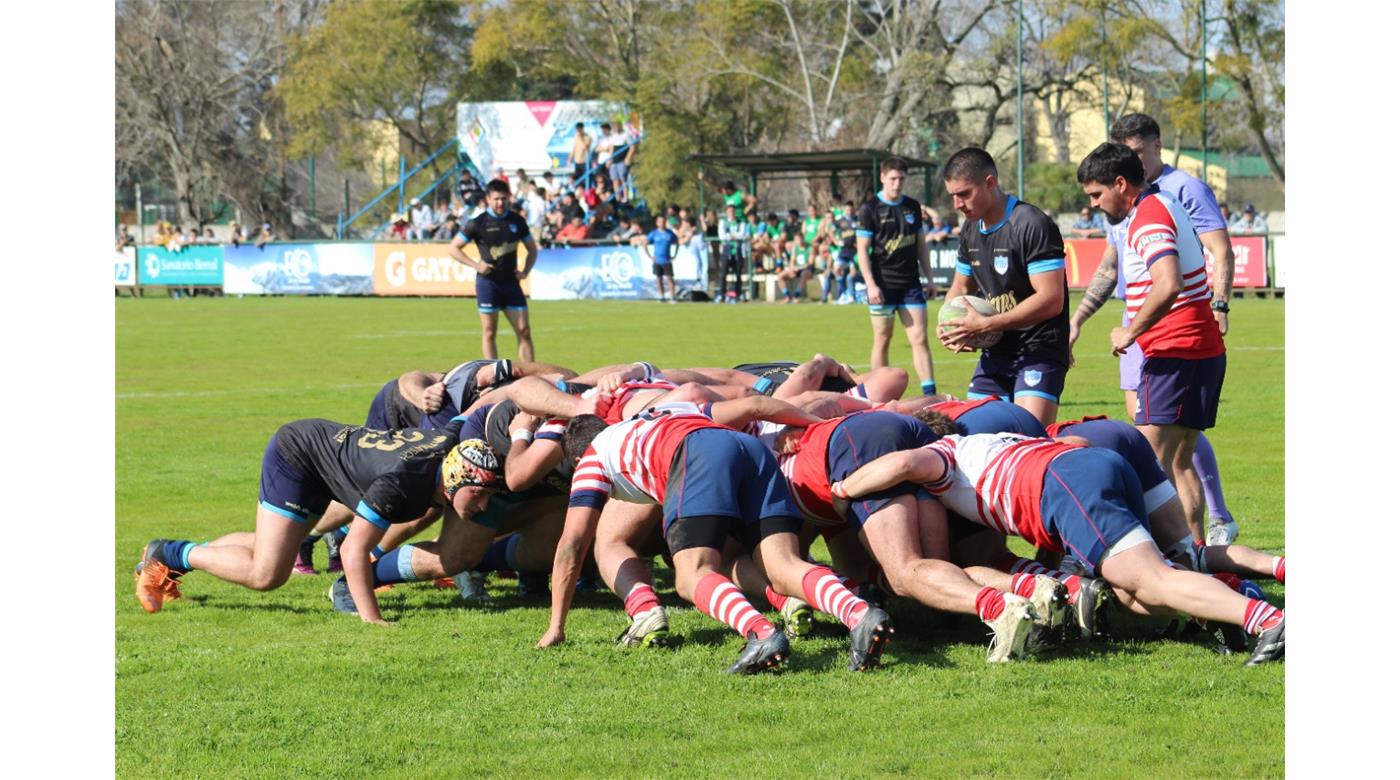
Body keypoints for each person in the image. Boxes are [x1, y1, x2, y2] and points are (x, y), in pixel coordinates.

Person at [829, 430, 1284, 665]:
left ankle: (1268, 621)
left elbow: (905, 462)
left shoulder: (943, 453)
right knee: (1130, 594)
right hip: (1090, 463)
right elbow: (1074, 442)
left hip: (1066, 484)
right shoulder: (986, 442)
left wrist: (844, 489)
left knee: (1150, 578)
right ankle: (1228, 602)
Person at [543, 399, 896, 674]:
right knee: (782, 566)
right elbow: (754, 405)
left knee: (692, 575)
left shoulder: (592, 458)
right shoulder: (662, 412)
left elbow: (572, 545)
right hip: (749, 449)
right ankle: (860, 613)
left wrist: (556, 626)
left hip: (695, 455)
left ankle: (760, 634)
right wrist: (818, 426)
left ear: (576, 457)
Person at [133, 416, 494, 627]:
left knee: (271, 549)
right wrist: (373, 620)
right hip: (298, 456)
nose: (484, 504)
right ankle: (170, 553)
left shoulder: (452, 447)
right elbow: (353, 550)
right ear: (453, 478)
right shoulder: (404, 483)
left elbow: (470, 413)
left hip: (319, 455)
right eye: (478, 493)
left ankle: (171, 558)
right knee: (267, 574)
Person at [1072, 113, 1240, 545]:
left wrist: (1130, 331)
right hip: (1198, 351)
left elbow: (1169, 283)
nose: (1094, 205)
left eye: (1096, 194)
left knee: (1144, 467)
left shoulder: (1148, 215)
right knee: (1180, 463)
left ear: (1120, 185)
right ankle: (1196, 555)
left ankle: (1149, 561)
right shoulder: (1159, 204)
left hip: (1173, 351)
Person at [769, 409, 1047, 662]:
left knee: (905, 572)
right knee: (939, 568)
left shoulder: (776, 486)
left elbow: (787, 566)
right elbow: (849, 563)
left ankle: (1000, 609)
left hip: (862, 446)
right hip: (905, 430)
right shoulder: (790, 449)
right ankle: (1036, 589)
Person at [937, 147, 1070, 428]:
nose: (957, 204)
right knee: (976, 436)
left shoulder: (1032, 224)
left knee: (1029, 436)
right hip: (995, 352)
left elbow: (1051, 299)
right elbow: (960, 286)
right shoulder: (970, 229)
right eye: (952, 196)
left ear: (990, 183)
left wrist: (987, 324)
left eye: (964, 194)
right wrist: (948, 324)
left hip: (1038, 349)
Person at [856, 157, 939, 397]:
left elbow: (921, 246)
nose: (897, 183)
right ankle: (878, 393)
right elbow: (862, 250)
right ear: (883, 177)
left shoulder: (912, 207)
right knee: (883, 338)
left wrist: (930, 278)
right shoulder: (870, 209)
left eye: (901, 179)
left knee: (920, 338)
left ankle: (930, 395)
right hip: (882, 285)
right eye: (893, 179)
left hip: (911, 284)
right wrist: (871, 285)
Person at [449, 179, 540, 362]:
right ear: (488, 199)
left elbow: (532, 249)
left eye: (504, 199)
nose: (500, 203)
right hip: (488, 284)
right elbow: (453, 248)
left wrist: (525, 271)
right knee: (490, 332)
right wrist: (475, 265)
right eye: (496, 199)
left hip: (511, 283)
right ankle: (493, 374)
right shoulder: (477, 223)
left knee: (524, 330)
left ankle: (530, 373)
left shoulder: (517, 221)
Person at [717, 204, 749, 303]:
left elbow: (742, 235)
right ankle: (722, 294)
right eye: (729, 211)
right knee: (723, 273)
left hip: (738, 251)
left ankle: (738, 294)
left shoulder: (741, 222)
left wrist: (732, 236)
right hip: (726, 250)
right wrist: (732, 236)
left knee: (738, 274)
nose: (731, 213)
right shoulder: (723, 222)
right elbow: (722, 236)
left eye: (733, 211)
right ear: (727, 212)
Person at [644, 215, 679, 303]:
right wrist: (650, 256)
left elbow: (677, 242)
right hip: (657, 260)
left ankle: (672, 297)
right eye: (660, 222)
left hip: (667, 260)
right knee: (659, 279)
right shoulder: (654, 233)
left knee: (670, 278)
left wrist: (675, 254)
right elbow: (644, 243)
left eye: (663, 221)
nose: (662, 223)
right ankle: (662, 296)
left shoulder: (669, 233)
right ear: (657, 223)